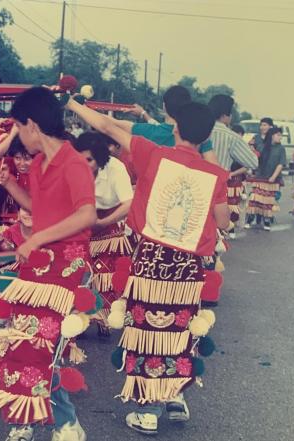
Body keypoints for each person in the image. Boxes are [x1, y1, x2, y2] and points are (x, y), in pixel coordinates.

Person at [67, 96, 229, 436]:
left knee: (147, 332)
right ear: (205, 137)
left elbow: (108, 126)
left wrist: (72, 103)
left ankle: (149, 411)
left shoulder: (154, 154)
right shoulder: (215, 175)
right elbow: (224, 220)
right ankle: (175, 398)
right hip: (188, 270)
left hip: (152, 263)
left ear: (174, 127)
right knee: (179, 333)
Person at [0, 87, 96, 441]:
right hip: (38, 265)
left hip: (67, 267)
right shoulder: (37, 163)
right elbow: (38, 209)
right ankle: (26, 417)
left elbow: (86, 214)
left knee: (46, 345)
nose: (18, 135)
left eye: (18, 127)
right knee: (23, 344)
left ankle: (66, 422)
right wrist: (9, 185)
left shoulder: (74, 162)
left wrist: (37, 239)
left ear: (31, 124)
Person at [73, 131, 134, 337]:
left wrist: (103, 222)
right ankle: (77, 318)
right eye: (80, 159)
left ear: (100, 158)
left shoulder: (116, 168)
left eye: (89, 160)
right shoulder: (72, 169)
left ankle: (103, 316)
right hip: (80, 221)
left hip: (110, 222)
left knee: (104, 272)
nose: (84, 165)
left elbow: (128, 203)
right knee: (76, 269)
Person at [125, 86, 218, 164]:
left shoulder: (148, 131)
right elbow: (214, 168)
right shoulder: (197, 134)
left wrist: (143, 113)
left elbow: (114, 125)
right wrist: (144, 114)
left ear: (164, 106)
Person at [244, 127, 286, 231]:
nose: (280, 137)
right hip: (260, 178)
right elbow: (255, 158)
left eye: (281, 135)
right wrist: (252, 149)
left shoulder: (281, 149)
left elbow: (281, 164)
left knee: (268, 201)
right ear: (272, 135)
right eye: (278, 135)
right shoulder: (262, 146)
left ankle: (267, 220)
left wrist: (273, 177)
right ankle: (250, 218)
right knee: (255, 199)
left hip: (272, 180)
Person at [207, 94, 259, 172]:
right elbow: (253, 163)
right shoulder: (232, 137)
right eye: (231, 113)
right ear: (224, 116)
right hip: (219, 181)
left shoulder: (198, 131)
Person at [226, 125, 250, 239]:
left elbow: (247, 167)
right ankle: (221, 230)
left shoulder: (244, 148)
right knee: (222, 205)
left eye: (240, 136)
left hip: (236, 182)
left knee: (234, 206)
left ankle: (231, 229)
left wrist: (232, 174)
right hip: (224, 181)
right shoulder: (225, 145)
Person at [1, 137, 33, 220]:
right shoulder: (9, 164)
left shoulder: (40, 176)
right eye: (18, 158)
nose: (22, 163)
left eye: (27, 158)